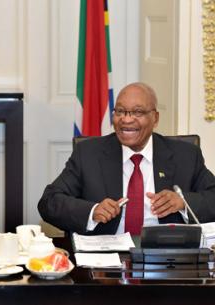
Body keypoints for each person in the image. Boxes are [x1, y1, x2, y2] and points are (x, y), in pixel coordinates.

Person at [38, 82, 215, 235]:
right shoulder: (88, 154)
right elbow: (49, 201)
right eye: (120, 111)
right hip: (105, 255)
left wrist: (183, 203)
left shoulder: (186, 155)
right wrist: (92, 211)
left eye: (137, 112)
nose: (126, 120)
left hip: (166, 256)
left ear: (155, 118)